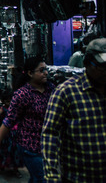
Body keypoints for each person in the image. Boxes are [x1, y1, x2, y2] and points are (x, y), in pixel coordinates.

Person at [42, 37, 106, 182]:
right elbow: (50, 135)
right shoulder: (67, 92)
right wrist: (52, 175)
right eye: (101, 66)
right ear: (87, 63)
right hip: (78, 178)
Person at [0, 57, 54, 183]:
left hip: (49, 144)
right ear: (30, 73)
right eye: (41, 70)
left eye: (46, 69)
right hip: (30, 145)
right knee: (42, 178)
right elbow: (9, 121)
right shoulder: (22, 94)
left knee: (39, 178)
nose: (45, 73)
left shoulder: (51, 89)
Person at [0, 89, 23, 178]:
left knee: (15, 151)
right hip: (6, 133)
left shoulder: (15, 108)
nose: (9, 103)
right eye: (7, 101)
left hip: (15, 133)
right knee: (4, 150)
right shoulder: (3, 108)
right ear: (4, 101)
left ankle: (15, 168)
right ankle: (2, 166)